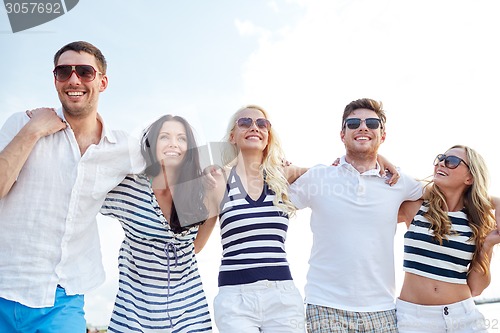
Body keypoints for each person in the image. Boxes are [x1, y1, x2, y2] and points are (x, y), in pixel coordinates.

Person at [0, 41, 144, 332]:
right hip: (4, 283)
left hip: (63, 298)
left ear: (102, 82)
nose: (73, 80)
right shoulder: (21, 123)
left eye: (85, 72)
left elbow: (171, 177)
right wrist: (33, 131)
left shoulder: (124, 148)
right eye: (63, 72)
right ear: (55, 80)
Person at [288, 98, 423, 332]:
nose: (363, 127)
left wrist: (494, 201)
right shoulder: (319, 177)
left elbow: (446, 190)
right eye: (353, 123)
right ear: (342, 134)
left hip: (383, 309)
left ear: (383, 135)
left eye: (372, 123)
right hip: (325, 307)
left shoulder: (398, 182)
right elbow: (269, 185)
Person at [100, 115, 216, 332]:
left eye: (181, 138)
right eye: (165, 137)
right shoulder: (129, 187)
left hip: (189, 314)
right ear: (151, 144)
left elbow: (196, 247)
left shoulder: (199, 188)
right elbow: (86, 196)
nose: (173, 143)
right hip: (133, 315)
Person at [208, 105, 307, 333]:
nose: (255, 127)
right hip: (235, 297)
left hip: (282, 296)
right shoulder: (218, 179)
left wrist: (379, 158)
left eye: (262, 124)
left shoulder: (284, 175)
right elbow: (197, 243)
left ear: (268, 135)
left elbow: (333, 174)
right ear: (232, 136)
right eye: (245, 123)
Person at [396, 145, 500, 332]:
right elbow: (384, 190)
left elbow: (476, 288)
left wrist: (487, 245)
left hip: (464, 318)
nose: (442, 163)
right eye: (440, 159)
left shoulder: (475, 221)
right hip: (413, 318)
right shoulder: (415, 207)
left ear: (470, 177)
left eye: (452, 161)